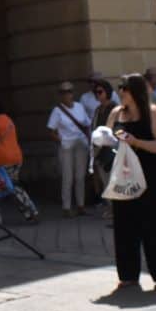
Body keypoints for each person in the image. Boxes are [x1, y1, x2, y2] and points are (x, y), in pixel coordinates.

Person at [105, 74, 156, 289]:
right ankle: (128, 274)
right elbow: (109, 137)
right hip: (124, 174)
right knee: (125, 224)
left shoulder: (153, 113)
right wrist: (106, 139)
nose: (120, 93)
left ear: (134, 91)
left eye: (123, 89)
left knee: (154, 224)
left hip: (150, 175)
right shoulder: (116, 113)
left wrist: (136, 142)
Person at [0, 98, 38, 222]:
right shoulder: (9, 121)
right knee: (14, 185)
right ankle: (30, 210)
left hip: (1, 160)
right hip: (16, 157)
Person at [47, 81, 92, 217]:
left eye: (69, 91)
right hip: (66, 146)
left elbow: (87, 124)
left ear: (73, 93)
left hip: (80, 144)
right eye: (64, 92)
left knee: (80, 176)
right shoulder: (57, 110)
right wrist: (62, 140)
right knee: (68, 177)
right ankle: (66, 207)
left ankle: (80, 206)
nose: (67, 94)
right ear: (60, 95)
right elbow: (51, 131)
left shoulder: (79, 107)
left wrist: (89, 140)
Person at [89, 78, 118, 216]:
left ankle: (116, 209)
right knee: (105, 181)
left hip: (112, 150)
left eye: (100, 92)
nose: (97, 95)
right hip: (99, 150)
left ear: (107, 92)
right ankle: (111, 207)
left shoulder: (114, 108)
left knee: (114, 180)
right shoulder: (98, 110)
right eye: (96, 92)